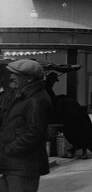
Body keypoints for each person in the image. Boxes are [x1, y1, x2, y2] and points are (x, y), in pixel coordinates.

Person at [0, 59, 50, 192]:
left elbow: (35, 134)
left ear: (29, 78)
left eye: (16, 74)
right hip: (13, 164)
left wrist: (8, 149)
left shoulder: (36, 100)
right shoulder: (22, 96)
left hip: (24, 167)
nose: (11, 77)